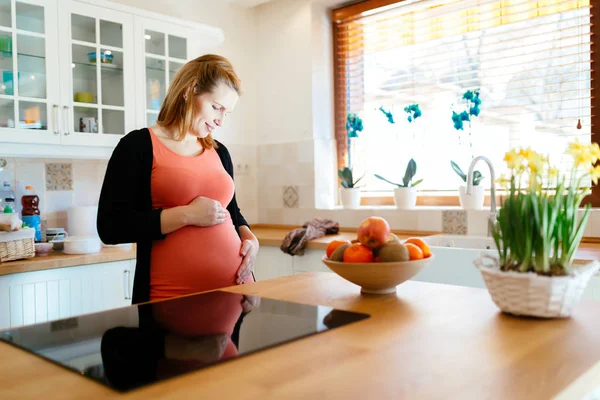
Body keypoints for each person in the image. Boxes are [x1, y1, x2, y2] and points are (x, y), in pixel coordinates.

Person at [97, 54, 259, 304]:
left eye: (227, 112)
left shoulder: (219, 151)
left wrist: (249, 237)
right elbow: (110, 227)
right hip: (169, 299)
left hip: (236, 294)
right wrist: (187, 215)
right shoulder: (138, 146)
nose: (220, 120)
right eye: (216, 107)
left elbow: (232, 213)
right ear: (190, 90)